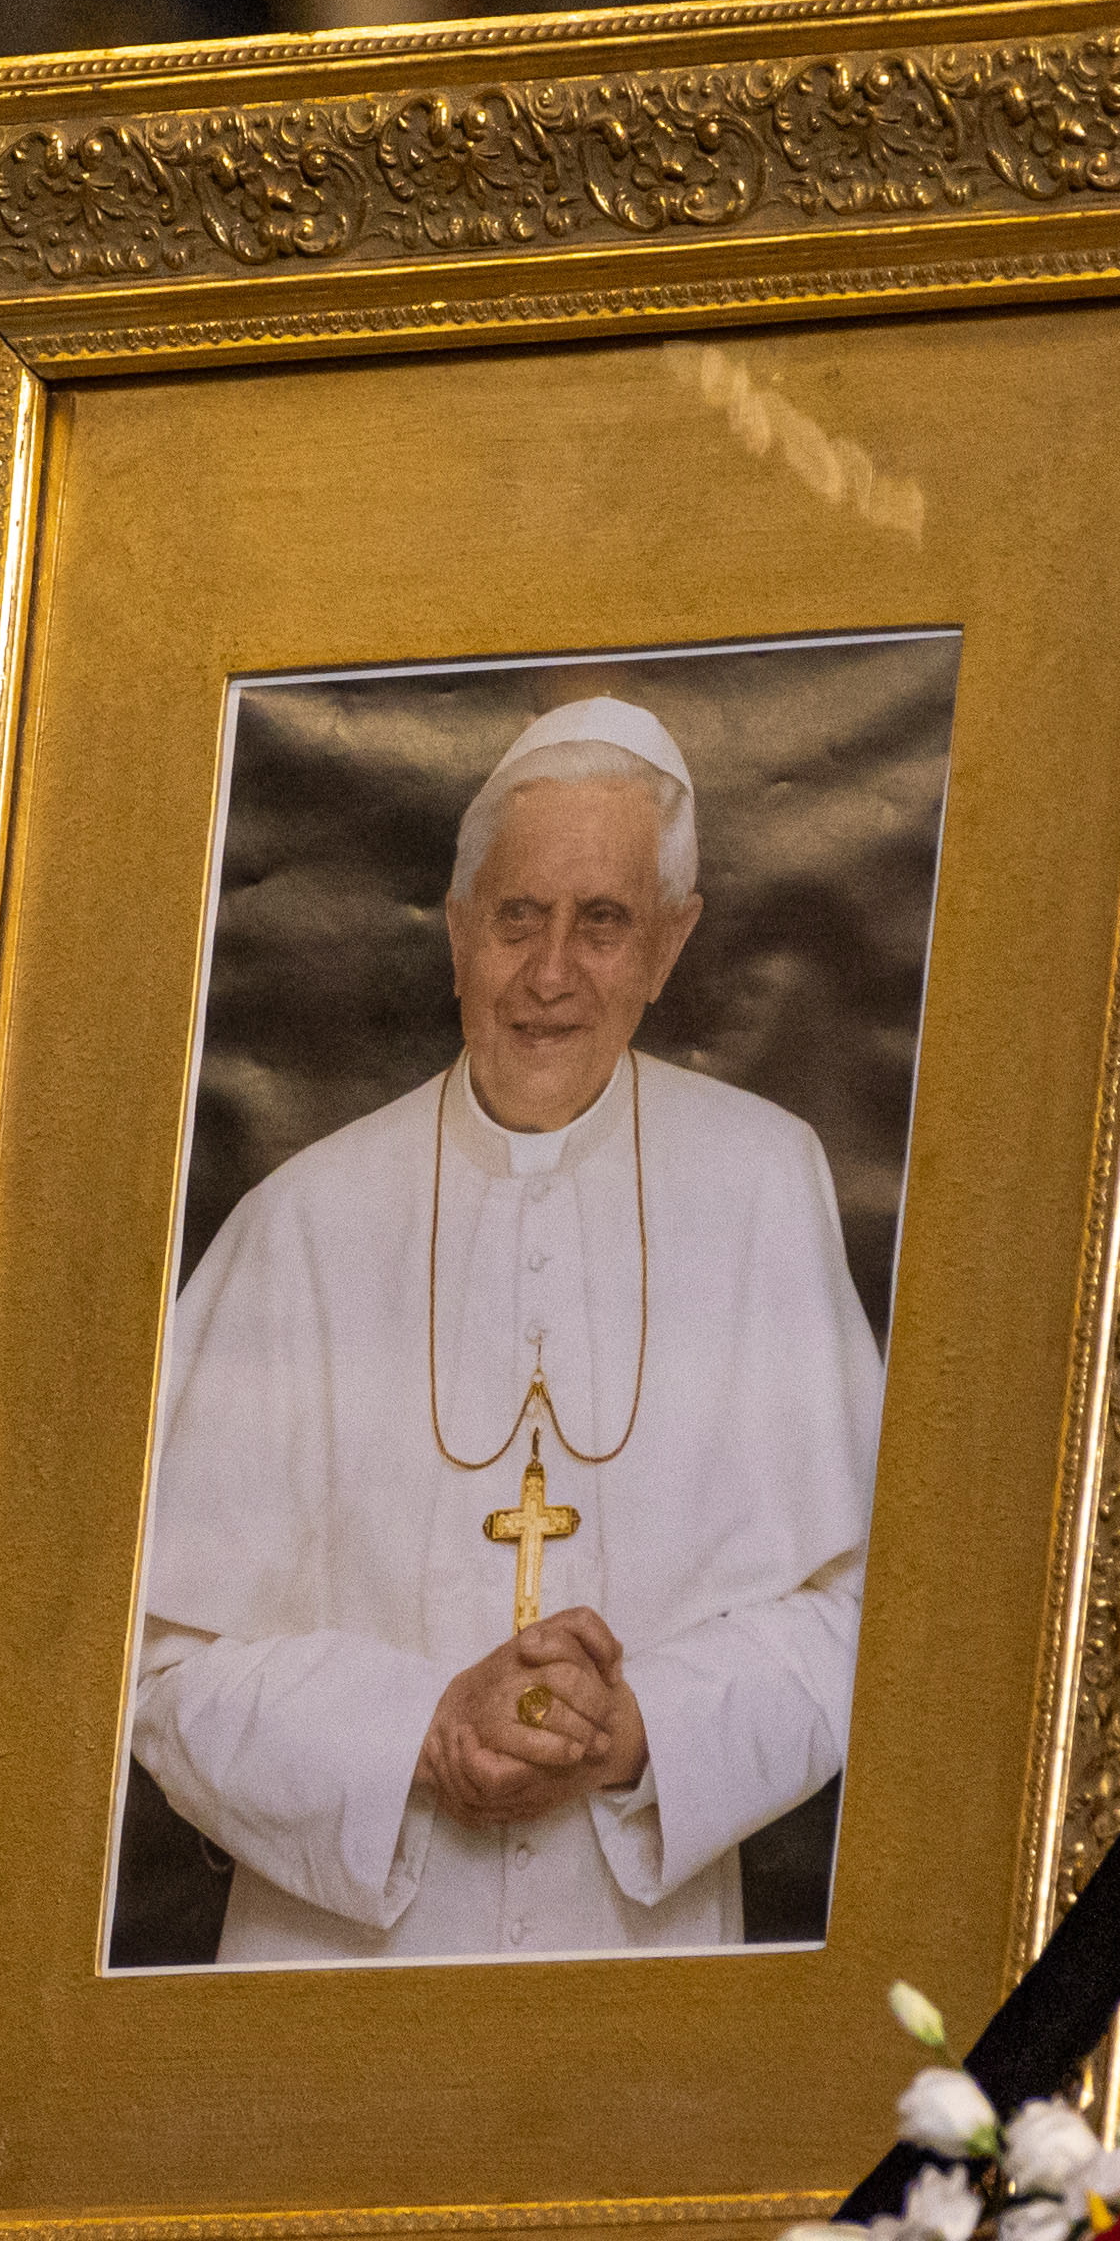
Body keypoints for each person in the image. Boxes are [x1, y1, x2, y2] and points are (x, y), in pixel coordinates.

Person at [128, 695, 882, 1964]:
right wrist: (419, 1730)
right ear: (459, 931)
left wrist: (646, 1725)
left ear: (672, 944)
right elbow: (159, 1665)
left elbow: (868, 1614)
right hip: (334, 1988)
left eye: (604, 924)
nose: (551, 974)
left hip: (645, 1976)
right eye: (518, 918)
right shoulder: (302, 1221)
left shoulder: (763, 1184)